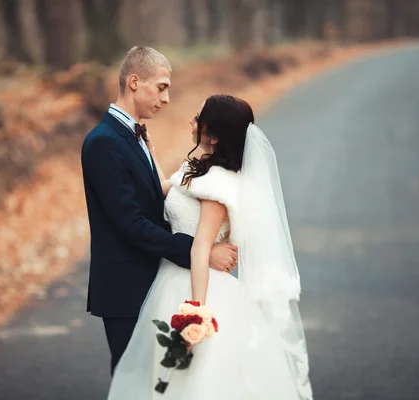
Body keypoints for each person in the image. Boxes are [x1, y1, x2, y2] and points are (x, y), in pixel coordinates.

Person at [107, 94, 313, 399]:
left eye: (197, 118)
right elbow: (162, 190)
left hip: (197, 288)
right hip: (171, 280)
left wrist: (195, 313)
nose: (191, 121)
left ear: (213, 135)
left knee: (199, 382)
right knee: (167, 383)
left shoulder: (219, 184)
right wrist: (148, 149)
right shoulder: (198, 168)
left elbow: (201, 247)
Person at [80, 46, 238, 375]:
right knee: (134, 385)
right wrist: (201, 251)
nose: (166, 98)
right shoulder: (104, 142)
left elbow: (157, 204)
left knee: (163, 384)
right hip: (126, 288)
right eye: (162, 87)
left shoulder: (134, 135)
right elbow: (130, 223)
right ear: (134, 81)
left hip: (155, 283)